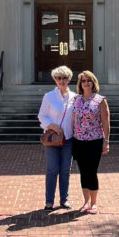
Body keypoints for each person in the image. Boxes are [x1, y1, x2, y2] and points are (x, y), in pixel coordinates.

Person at [37, 65, 76, 211]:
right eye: (59, 78)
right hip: (52, 139)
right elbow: (41, 116)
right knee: (52, 169)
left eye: (64, 78)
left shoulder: (74, 97)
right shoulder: (48, 96)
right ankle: (49, 201)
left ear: (69, 79)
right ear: (55, 80)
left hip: (68, 139)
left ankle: (64, 200)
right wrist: (52, 126)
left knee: (65, 169)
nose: (62, 81)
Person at [71, 70, 110, 214]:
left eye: (89, 80)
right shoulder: (76, 99)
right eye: (83, 81)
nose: (86, 83)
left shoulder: (100, 100)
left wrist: (106, 141)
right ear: (80, 84)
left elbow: (106, 122)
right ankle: (85, 202)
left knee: (92, 171)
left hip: (94, 141)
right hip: (78, 140)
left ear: (93, 83)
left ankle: (94, 203)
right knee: (83, 172)